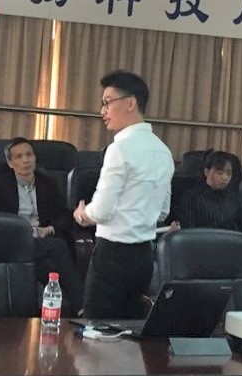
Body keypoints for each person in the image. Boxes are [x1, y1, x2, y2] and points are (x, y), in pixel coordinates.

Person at [72, 70, 173, 318]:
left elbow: (101, 211)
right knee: (129, 330)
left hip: (112, 256)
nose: (102, 111)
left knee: (96, 329)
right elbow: (163, 211)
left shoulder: (120, 148)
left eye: (107, 102)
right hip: (144, 257)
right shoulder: (163, 151)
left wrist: (83, 214)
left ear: (130, 103)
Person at [0, 136, 83, 314]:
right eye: (19, 157)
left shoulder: (48, 183)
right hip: (13, 241)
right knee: (57, 247)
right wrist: (18, 230)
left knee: (49, 266)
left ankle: (55, 313)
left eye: (29, 155)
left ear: (35, 158)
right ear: (10, 163)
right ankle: (81, 306)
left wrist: (49, 229)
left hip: (42, 240)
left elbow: (64, 215)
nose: (26, 160)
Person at [171, 150, 242, 232]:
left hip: (228, 239)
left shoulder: (233, 198)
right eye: (220, 173)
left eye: (229, 173)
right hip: (201, 239)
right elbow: (188, 231)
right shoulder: (190, 197)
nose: (225, 178)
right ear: (206, 172)